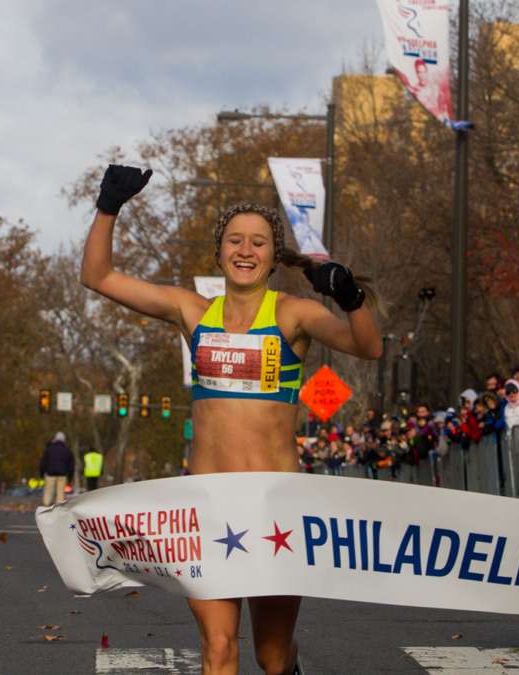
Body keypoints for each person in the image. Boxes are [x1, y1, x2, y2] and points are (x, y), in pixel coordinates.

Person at [80, 164, 381, 675]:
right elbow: (98, 276)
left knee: (271, 654)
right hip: (206, 505)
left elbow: (367, 346)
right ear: (219, 251)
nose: (246, 250)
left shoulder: (293, 314)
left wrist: (351, 299)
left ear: (273, 255)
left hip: (275, 507)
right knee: (218, 649)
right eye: (235, 241)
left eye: (258, 243)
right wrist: (108, 207)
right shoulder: (191, 311)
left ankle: (290, 664)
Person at [39, 431, 73, 507]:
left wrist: (41, 474)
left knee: (48, 492)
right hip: (62, 475)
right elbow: (71, 466)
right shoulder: (67, 451)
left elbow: (43, 463)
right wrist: (70, 478)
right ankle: (58, 509)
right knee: (60, 494)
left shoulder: (49, 449)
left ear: (55, 439)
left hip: (50, 474)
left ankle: (46, 507)